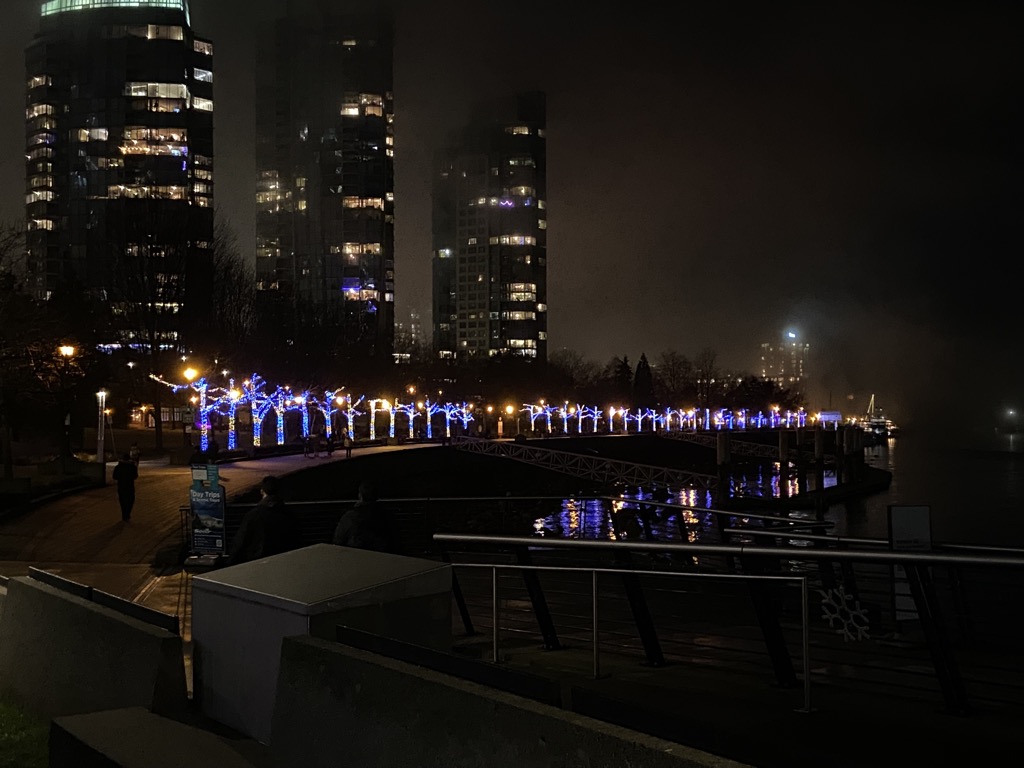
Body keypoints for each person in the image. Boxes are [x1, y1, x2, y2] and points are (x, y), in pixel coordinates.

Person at [226, 475, 302, 566]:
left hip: (258, 562)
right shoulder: (289, 514)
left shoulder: (253, 515)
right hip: (283, 562)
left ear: (262, 491)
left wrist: (230, 563)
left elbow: (241, 541)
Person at [331, 479, 398, 553]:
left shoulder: (350, 517)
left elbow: (338, 540)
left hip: (356, 558)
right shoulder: (387, 516)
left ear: (360, 496)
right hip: (381, 558)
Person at [111, 452, 138, 522]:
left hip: (121, 485)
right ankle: (127, 513)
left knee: (122, 501)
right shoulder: (132, 467)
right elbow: (135, 476)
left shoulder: (118, 467)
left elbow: (114, 477)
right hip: (130, 485)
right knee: (130, 500)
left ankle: (124, 514)